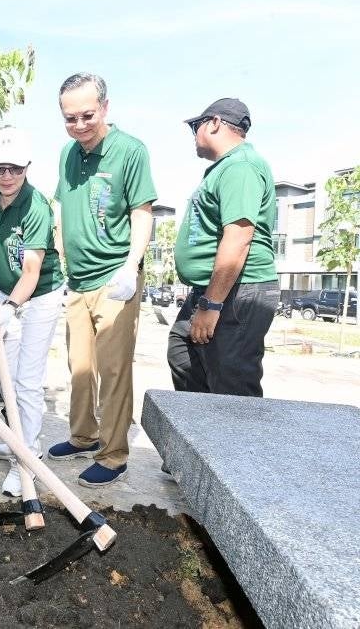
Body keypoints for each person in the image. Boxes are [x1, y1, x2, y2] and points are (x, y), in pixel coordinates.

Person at [47, 73, 156, 488]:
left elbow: (142, 212)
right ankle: (83, 436)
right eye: (70, 118)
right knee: (80, 366)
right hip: (78, 280)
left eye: (87, 115)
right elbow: (63, 210)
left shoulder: (130, 151)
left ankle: (113, 455)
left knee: (112, 369)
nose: (79, 125)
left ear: (105, 108)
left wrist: (131, 266)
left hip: (115, 277)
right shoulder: (67, 155)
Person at [0, 128, 65, 497]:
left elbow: (31, 272)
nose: (7, 176)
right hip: (5, 291)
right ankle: (17, 440)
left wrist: (8, 308)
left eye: (15, 169)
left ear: (27, 167)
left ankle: (26, 458)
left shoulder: (36, 206)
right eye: (0, 169)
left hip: (39, 296)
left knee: (26, 381)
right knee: (4, 375)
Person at [168, 99, 279, 396]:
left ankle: (240, 442)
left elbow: (239, 237)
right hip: (211, 290)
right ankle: (199, 440)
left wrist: (212, 304)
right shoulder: (226, 168)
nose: (193, 135)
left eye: (196, 126)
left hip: (238, 293)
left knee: (232, 389)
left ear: (215, 123)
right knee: (183, 353)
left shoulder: (240, 166)